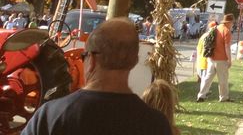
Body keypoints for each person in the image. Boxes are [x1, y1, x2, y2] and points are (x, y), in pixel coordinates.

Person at [24, 18, 172, 135]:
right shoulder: (156, 124)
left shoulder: (51, 115)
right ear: (134, 61)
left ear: (92, 60)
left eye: (83, 57)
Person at [197, 14, 234, 102]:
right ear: (229, 22)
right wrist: (229, 60)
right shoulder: (226, 31)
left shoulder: (215, 28)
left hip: (211, 58)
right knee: (223, 79)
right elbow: (227, 47)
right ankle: (224, 97)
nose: (232, 24)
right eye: (232, 22)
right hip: (221, 59)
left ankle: (201, 96)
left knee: (207, 78)